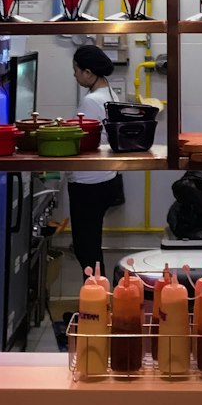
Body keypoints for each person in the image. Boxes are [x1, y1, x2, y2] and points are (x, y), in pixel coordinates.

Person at [67, 44, 124, 274]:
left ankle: (96, 301)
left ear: (88, 73)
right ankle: (97, 299)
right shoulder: (110, 94)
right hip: (106, 179)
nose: (75, 74)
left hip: (88, 184)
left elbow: (79, 139)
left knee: (86, 248)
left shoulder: (91, 102)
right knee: (91, 246)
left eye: (76, 70)